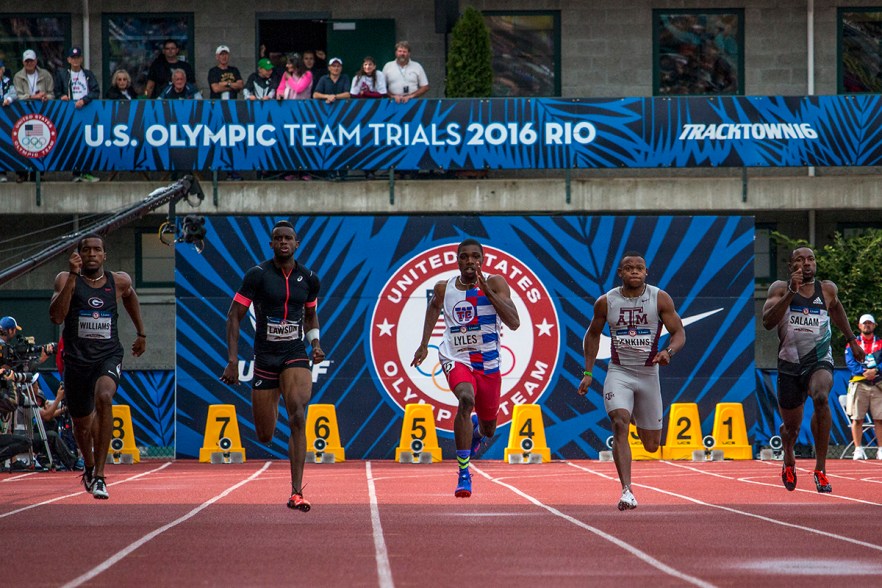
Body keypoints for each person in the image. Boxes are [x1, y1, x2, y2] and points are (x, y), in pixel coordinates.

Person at [219, 220, 323, 512]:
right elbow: (234, 316)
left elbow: (310, 316)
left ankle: (296, 492)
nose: (283, 242)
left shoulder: (310, 278)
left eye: (288, 238)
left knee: (298, 417)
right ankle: (273, 399)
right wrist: (232, 360)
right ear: (271, 244)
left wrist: (315, 344)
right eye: (278, 238)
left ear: (297, 243)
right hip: (265, 357)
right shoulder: (257, 275)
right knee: (264, 434)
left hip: (294, 352)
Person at [411, 238, 520, 498]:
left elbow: (514, 322)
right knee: (465, 398)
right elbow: (433, 308)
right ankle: (463, 472)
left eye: (475, 257)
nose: (470, 261)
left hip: (488, 364)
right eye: (464, 257)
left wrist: (488, 292)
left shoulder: (495, 283)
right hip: (456, 357)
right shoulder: (444, 288)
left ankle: (477, 430)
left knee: (489, 428)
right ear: (457, 260)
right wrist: (424, 345)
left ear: (482, 260)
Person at [577, 251, 685, 511]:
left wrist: (668, 352)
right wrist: (588, 373)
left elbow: (679, 332)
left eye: (639, 268)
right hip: (619, 372)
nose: (634, 272)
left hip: (649, 374)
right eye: (629, 268)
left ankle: (638, 416)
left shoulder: (659, 298)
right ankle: (627, 490)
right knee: (618, 423)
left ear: (646, 273)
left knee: (651, 445)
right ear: (620, 273)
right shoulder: (606, 301)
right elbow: (592, 335)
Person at [49, 233, 147, 499]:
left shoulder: (119, 281)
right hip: (76, 360)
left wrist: (141, 333)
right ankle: (90, 468)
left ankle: (102, 475)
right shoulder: (65, 279)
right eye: (86, 250)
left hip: (108, 356)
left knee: (104, 397)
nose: (92, 254)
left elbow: (130, 295)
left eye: (97, 250)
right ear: (79, 256)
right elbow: (57, 316)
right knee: (81, 425)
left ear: (105, 255)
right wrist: (72, 276)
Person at [762, 246, 865, 493]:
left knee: (820, 397)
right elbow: (767, 322)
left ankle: (821, 469)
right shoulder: (778, 288)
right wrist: (790, 293)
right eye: (800, 259)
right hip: (789, 364)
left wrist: (851, 339)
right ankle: (789, 456)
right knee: (791, 429)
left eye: (811, 259)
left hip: (818, 359)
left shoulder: (827, 289)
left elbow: (837, 308)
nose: (807, 263)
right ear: (791, 266)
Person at [54, 46, 101, 183]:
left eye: (78, 58)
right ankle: (76, 173)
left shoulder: (87, 74)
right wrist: (62, 96)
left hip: (86, 112)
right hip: (70, 113)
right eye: (72, 58)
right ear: (68, 59)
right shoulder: (63, 74)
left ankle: (86, 172)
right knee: (72, 141)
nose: (75, 60)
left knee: (87, 142)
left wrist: (84, 100)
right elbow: (56, 91)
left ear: (81, 59)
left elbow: (95, 91)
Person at [844, 313, 882, 460]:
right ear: (859, 326)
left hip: (878, 384)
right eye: (864, 323)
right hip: (859, 384)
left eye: (870, 323)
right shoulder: (853, 344)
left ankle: (880, 449)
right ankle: (858, 449)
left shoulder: (880, 343)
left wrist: (876, 370)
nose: (867, 325)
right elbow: (850, 363)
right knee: (857, 418)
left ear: (874, 326)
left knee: (880, 418)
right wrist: (864, 372)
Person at [12, 49, 52, 183]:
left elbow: (52, 93)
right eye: (26, 61)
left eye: (31, 60)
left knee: (41, 143)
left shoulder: (45, 75)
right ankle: (22, 173)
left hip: (42, 115)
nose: (29, 63)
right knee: (22, 143)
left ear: (36, 61)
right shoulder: (18, 76)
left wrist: (46, 97)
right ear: (23, 62)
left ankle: (38, 173)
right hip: (23, 115)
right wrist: (33, 97)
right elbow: (18, 95)